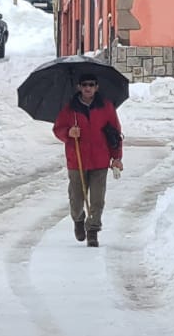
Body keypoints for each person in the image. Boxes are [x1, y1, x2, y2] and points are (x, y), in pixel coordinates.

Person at [52, 73, 124, 248]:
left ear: (97, 87)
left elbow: (115, 134)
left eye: (91, 84)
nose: (88, 88)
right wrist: (68, 133)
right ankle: (78, 220)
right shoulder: (70, 108)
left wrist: (116, 157)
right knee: (76, 198)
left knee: (97, 199)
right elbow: (58, 129)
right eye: (84, 84)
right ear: (79, 87)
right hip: (77, 160)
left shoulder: (106, 107)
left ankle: (93, 230)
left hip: (100, 159)